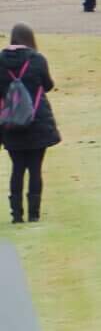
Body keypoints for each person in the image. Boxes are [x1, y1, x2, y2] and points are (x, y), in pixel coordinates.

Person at [1, 25, 60, 225]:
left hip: (10, 122)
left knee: (17, 167)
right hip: (36, 120)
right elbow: (48, 85)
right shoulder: (37, 60)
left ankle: (16, 214)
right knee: (35, 168)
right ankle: (34, 213)